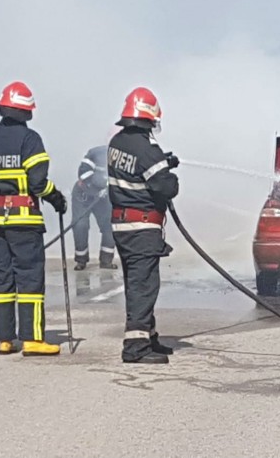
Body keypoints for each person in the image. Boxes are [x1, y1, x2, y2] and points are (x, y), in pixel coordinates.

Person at [0, 81, 68, 356]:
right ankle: (32, 339)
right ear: (27, 112)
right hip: (24, 223)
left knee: (1, 280)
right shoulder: (30, 139)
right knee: (29, 279)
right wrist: (56, 198)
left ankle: (5, 338)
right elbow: (38, 183)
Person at [107, 86, 179, 364]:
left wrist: (162, 162)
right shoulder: (147, 149)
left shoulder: (117, 143)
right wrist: (168, 171)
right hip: (142, 226)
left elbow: (137, 171)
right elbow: (166, 187)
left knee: (137, 283)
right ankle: (135, 348)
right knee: (144, 286)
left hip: (123, 225)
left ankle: (148, 336)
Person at [71, 143, 117, 271]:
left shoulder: (123, 157)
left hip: (104, 197)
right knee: (80, 225)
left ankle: (106, 261)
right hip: (83, 195)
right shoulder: (95, 153)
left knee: (110, 225)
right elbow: (83, 172)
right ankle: (81, 260)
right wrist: (96, 188)